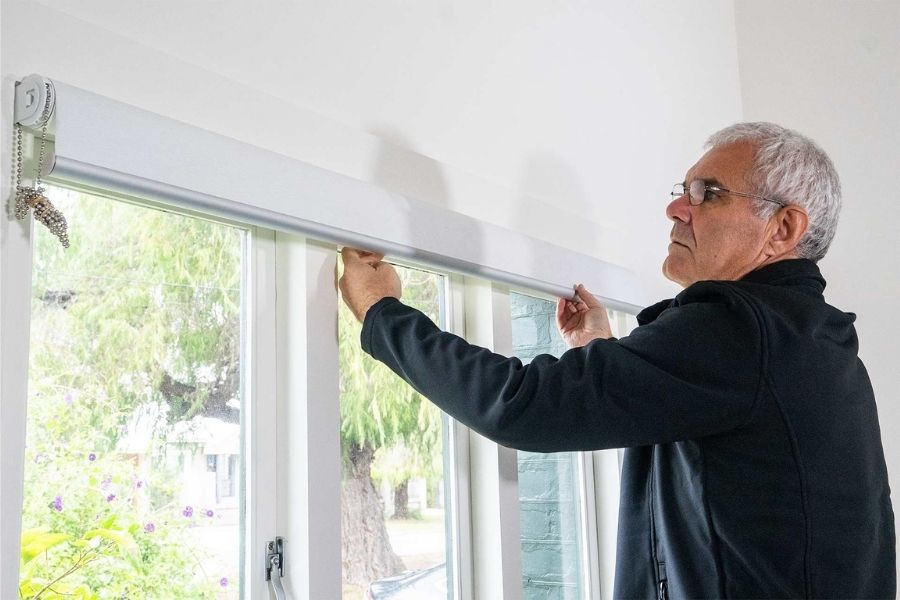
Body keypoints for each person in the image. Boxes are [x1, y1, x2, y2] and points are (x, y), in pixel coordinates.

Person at [338, 122, 895, 598]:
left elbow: (524, 407)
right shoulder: (806, 337)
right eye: (683, 190)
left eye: (708, 193)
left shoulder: (740, 330)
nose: (676, 208)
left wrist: (383, 315)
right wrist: (604, 354)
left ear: (783, 228)